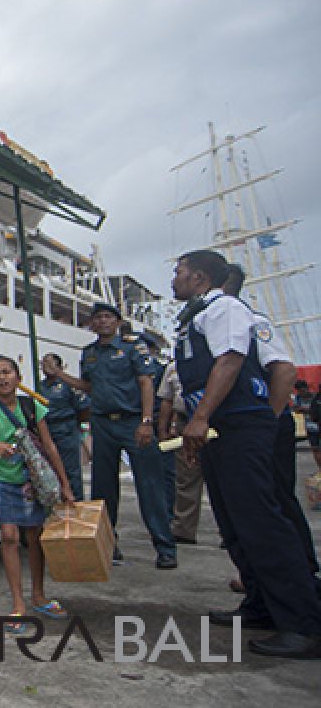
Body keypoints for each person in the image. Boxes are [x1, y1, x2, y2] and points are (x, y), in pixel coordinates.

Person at [173, 249, 321, 658]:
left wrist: (209, 418)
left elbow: (231, 360)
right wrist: (196, 430)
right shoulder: (196, 317)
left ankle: (304, 624)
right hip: (220, 430)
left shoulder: (225, 309)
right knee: (234, 524)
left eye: (180, 272)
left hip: (239, 425)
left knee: (262, 522)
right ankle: (260, 604)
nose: (175, 278)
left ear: (200, 277)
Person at [48, 302, 177, 569]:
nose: (103, 321)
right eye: (98, 318)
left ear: (118, 322)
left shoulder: (133, 348)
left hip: (132, 422)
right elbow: (88, 386)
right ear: (92, 324)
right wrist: (60, 375)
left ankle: (165, 547)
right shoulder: (89, 354)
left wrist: (146, 421)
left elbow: (145, 383)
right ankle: (108, 543)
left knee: (149, 485)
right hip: (102, 423)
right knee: (103, 489)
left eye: (108, 317)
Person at [0, 355, 77, 633]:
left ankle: (38, 595)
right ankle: (18, 604)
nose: (2, 378)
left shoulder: (31, 406)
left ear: (18, 377)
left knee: (35, 538)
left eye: (7, 372)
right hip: (2, 481)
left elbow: (49, 446)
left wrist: (65, 484)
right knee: (9, 537)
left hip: (33, 482)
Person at [156, 358, 203, 544]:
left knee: (226, 479)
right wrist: (163, 429)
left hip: (216, 420)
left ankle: (231, 530)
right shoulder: (173, 367)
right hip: (185, 420)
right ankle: (183, 529)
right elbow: (167, 400)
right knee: (186, 477)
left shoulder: (218, 359)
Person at [39, 353, 90, 500]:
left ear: (60, 366)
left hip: (66, 430)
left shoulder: (69, 385)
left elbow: (84, 408)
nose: (46, 367)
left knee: (71, 470)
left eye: (50, 363)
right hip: (48, 430)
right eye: (44, 363)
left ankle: (77, 501)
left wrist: (77, 425)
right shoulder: (40, 386)